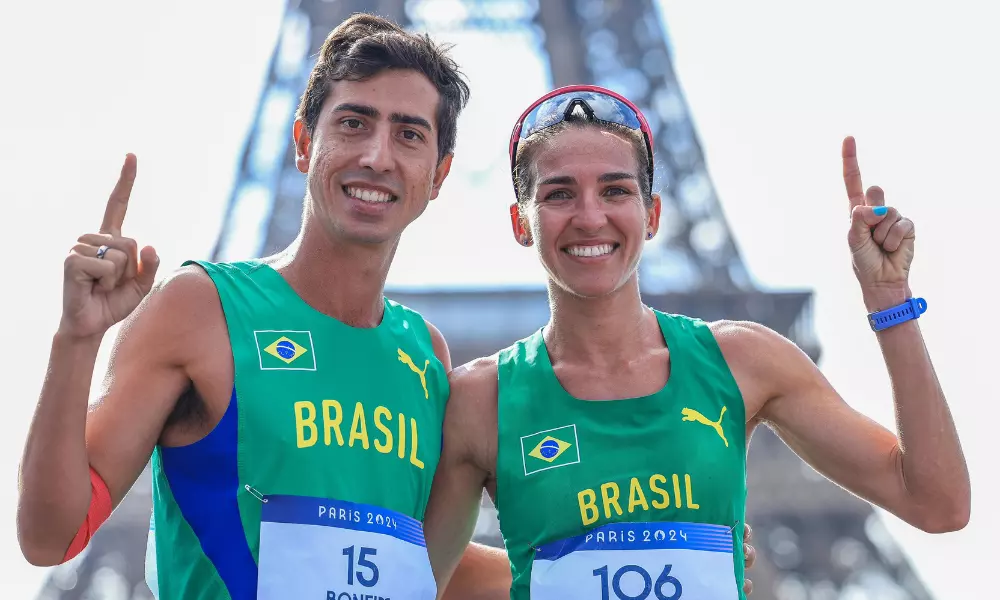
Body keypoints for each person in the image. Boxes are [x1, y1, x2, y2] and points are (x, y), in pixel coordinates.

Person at [16, 13, 514, 600]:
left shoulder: (423, 351)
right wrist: (75, 340)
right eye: (354, 123)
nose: (378, 156)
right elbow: (51, 537)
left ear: (438, 175)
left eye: (409, 134)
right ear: (304, 143)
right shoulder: (200, 310)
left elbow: (421, 568)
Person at [423, 85, 971, 600]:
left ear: (653, 214)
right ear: (522, 222)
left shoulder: (746, 361)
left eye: (615, 190)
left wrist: (889, 300)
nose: (590, 217)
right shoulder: (480, 400)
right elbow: (417, 575)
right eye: (559, 194)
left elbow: (939, 503)